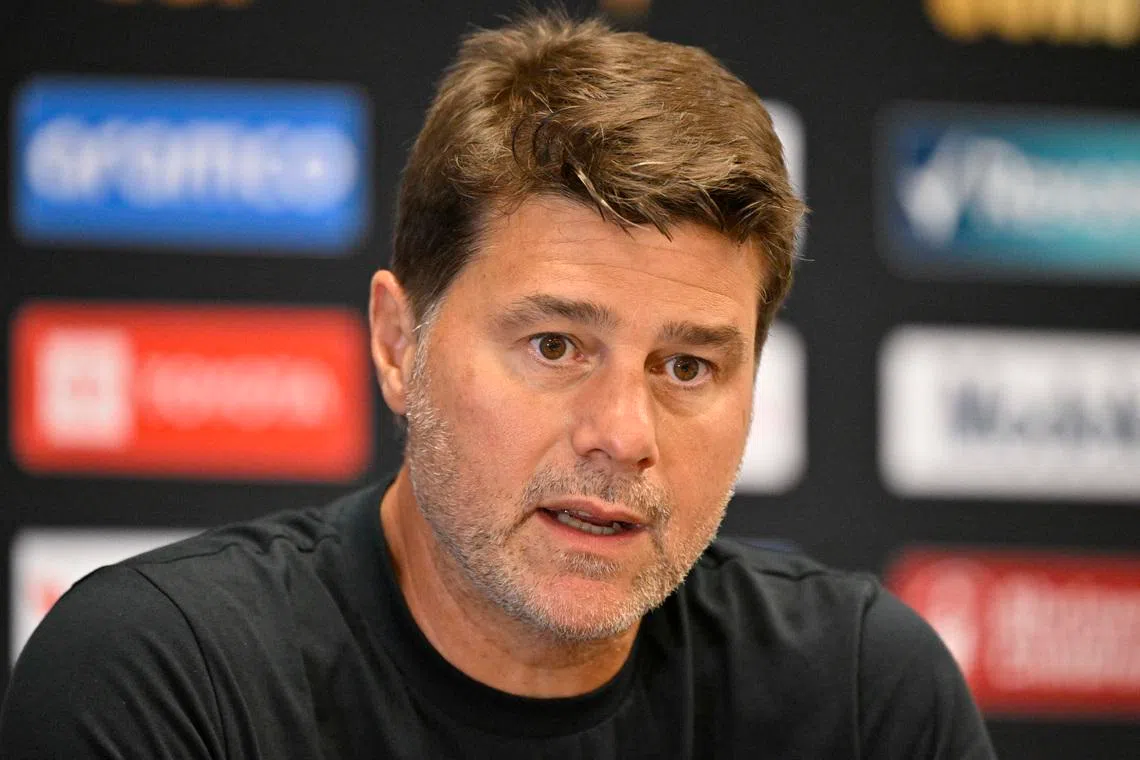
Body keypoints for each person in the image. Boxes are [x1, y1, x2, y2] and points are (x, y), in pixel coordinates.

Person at [0, 11, 995, 759]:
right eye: (555, 346)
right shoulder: (165, 678)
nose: (623, 434)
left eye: (686, 366)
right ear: (400, 344)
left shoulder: (864, 696)